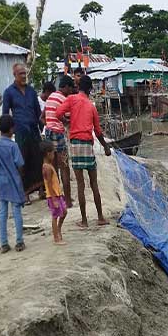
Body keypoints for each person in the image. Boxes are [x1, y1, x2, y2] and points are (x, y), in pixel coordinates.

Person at [55, 75, 111, 228]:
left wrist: (67, 121)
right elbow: (98, 132)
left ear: (78, 87)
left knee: (80, 184)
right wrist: (106, 147)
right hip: (87, 144)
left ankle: (84, 220)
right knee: (94, 183)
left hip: (75, 144)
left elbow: (58, 112)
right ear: (90, 90)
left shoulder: (72, 99)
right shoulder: (91, 106)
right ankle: (100, 217)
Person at [2, 63, 44, 203]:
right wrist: (8, 131)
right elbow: (5, 114)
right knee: (22, 162)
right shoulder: (9, 92)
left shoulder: (32, 91)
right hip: (20, 131)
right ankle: (24, 193)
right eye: (21, 74)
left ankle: (41, 190)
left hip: (34, 130)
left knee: (38, 160)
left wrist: (41, 126)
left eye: (25, 73)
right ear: (15, 75)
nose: (24, 76)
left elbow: (38, 112)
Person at [0, 115, 26, 253]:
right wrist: (20, 176)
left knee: (2, 211)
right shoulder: (13, 146)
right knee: (17, 210)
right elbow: (20, 164)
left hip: (1, 179)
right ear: (11, 128)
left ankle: (4, 243)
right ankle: (19, 241)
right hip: (14, 179)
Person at [44, 76, 74, 207]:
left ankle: (55, 198)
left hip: (48, 133)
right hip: (59, 134)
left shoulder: (50, 97)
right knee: (65, 168)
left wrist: (50, 124)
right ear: (66, 87)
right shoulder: (64, 99)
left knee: (53, 169)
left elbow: (42, 116)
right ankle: (67, 201)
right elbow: (69, 118)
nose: (71, 91)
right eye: (71, 88)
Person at [41, 141, 67, 245]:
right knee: (55, 216)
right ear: (48, 153)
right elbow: (49, 185)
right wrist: (54, 199)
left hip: (57, 194)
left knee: (64, 212)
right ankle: (56, 238)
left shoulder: (48, 165)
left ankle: (58, 229)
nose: (54, 155)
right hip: (53, 195)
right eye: (53, 153)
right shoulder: (47, 167)